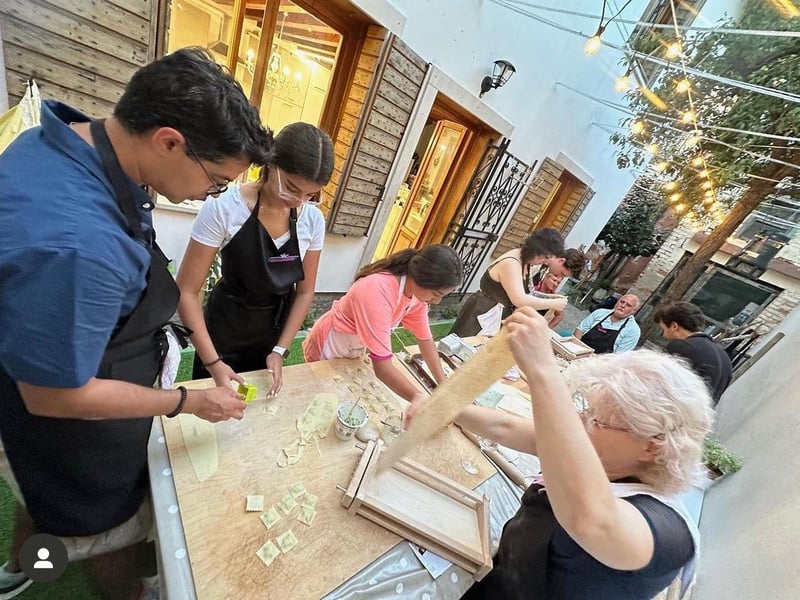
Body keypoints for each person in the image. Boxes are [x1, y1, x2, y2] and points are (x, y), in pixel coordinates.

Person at [0, 47, 270, 599]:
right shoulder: (81, 245)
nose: (208, 196)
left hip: (56, 379)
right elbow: (56, 396)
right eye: (215, 180)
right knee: (108, 536)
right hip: (67, 428)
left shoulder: (63, 137)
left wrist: (208, 359)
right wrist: (187, 402)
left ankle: (29, 567)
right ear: (168, 140)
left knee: (42, 507)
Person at [457, 308, 713, 600]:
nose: (580, 421)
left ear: (653, 446)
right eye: (586, 409)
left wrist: (543, 371)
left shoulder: (667, 532)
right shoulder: (603, 460)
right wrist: (443, 409)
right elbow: (507, 428)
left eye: (597, 419)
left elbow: (590, 518)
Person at [177, 123, 333, 397]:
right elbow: (187, 291)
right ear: (271, 163)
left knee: (256, 404)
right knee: (216, 405)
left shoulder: (312, 220)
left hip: (272, 329)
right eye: (292, 188)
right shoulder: (224, 207)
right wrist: (213, 362)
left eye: (310, 195)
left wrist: (279, 350)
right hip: (225, 328)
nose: (298, 202)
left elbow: (305, 293)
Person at [303, 245, 462, 414]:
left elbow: (425, 339)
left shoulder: (415, 296)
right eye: (436, 294)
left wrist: (443, 385)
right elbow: (383, 368)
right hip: (333, 342)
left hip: (354, 346)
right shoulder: (377, 290)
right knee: (319, 397)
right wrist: (420, 399)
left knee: (341, 393)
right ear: (422, 278)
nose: (436, 301)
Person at [450, 229, 570, 337]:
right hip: (482, 312)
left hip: (497, 314)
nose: (544, 262)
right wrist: (553, 303)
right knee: (461, 352)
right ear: (537, 249)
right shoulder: (511, 263)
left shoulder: (526, 262)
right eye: (544, 258)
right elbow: (519, 299)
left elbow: (529, 292)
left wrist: (550, 297)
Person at [654, 301, 733, 406]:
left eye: (663, 329)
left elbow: (658, 382)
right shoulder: (725, 358)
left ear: (674, 326)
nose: (664, 335)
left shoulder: (682, 347)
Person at [575, 293, 641, 354]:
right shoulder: (599, 313)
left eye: (628, 305)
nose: (623, 306)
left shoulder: (633, 330)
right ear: (617, 302)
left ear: (633, 311)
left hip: (599, 362)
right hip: (579, 350)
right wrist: (577, 348)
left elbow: (620, 356)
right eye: (622, 302)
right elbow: (580, 329)